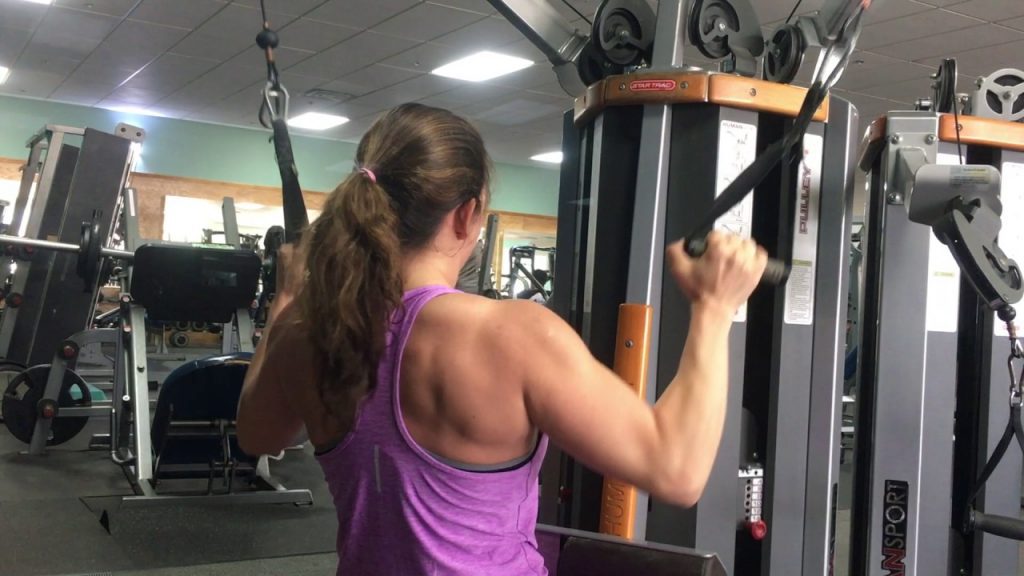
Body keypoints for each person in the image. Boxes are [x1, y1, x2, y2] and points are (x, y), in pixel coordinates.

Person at [237, 103, 767, 576]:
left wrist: (286, 299)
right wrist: (714, 307)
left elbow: (257, 438)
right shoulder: (509, 335)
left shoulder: (304, 330)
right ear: (467, 214)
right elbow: (676, 470)